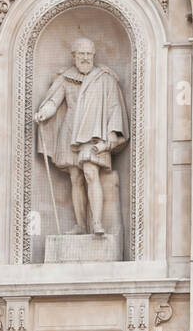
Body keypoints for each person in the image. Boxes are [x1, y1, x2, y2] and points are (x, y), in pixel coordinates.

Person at [34, 36, 130, 239]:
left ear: (93, 55)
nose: (85, 58)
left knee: (90, 173)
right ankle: (80, 224)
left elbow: (114, 108)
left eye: (88, 54)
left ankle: (96, 222)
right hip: (69, 132)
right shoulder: (66, 78)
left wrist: (112, 135)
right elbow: (53, 101)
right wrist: (44, 112)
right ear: (74, 56)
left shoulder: (104, 78)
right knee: (75, 178)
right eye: (81, 54)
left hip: (93, 133)